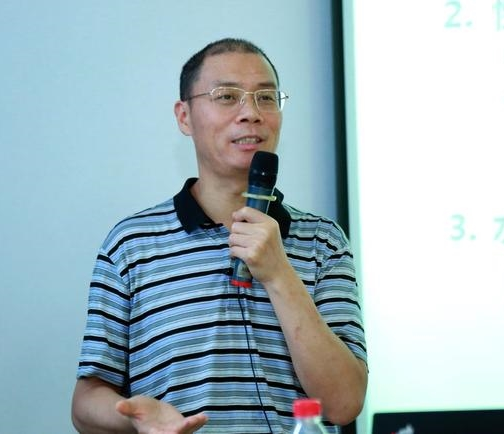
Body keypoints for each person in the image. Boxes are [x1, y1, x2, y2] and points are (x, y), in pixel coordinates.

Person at [71, 37, 368, 434]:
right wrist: (135, 417)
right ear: (184, 117)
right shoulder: (130, 245)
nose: (251, 114)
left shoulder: (323, 241)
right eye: (227, 96)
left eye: (266, 97)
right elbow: (86, 401)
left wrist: (279, 274)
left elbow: (345, 403)